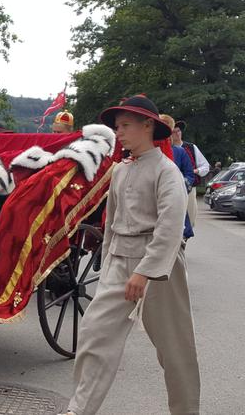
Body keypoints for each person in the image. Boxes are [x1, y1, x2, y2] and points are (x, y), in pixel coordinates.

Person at [61, 95, 200, 415]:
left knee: (174, 349)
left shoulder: (167, 172)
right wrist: (109, 262)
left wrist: (145, 271)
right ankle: (79, 409)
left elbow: (169, 227)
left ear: (148, 126)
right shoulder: (120, 171)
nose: (118, 132)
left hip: (157, 268)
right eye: (116, 126)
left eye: (125, 125)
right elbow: (111, 224)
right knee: (95, 334)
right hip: (119, 261)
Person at [171, 120, 209, 227]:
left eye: (178, 131)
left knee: (190, 215)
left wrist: (194, 171)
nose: (177, 134)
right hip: (171, 186)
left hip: (189, 186)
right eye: (174, 132)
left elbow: (205, 166)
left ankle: (185, 238)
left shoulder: (190, 147)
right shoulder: (167, 149)